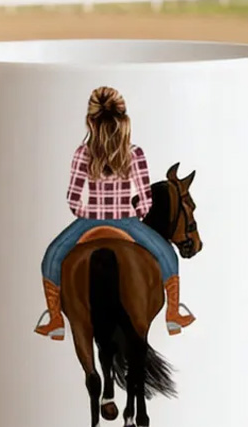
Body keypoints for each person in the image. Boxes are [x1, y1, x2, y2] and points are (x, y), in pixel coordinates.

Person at [34, 86, 195, 340]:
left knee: (52, 258)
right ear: (124, 119)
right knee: (167, 256)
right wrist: (138, 213)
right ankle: (173, 314)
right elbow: (145, 198)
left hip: (88, 222)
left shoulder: (82, 153)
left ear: (90, 120)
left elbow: (74, 199)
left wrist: (90, 212)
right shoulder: (134, 153)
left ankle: (55, 319)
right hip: (127, 222)